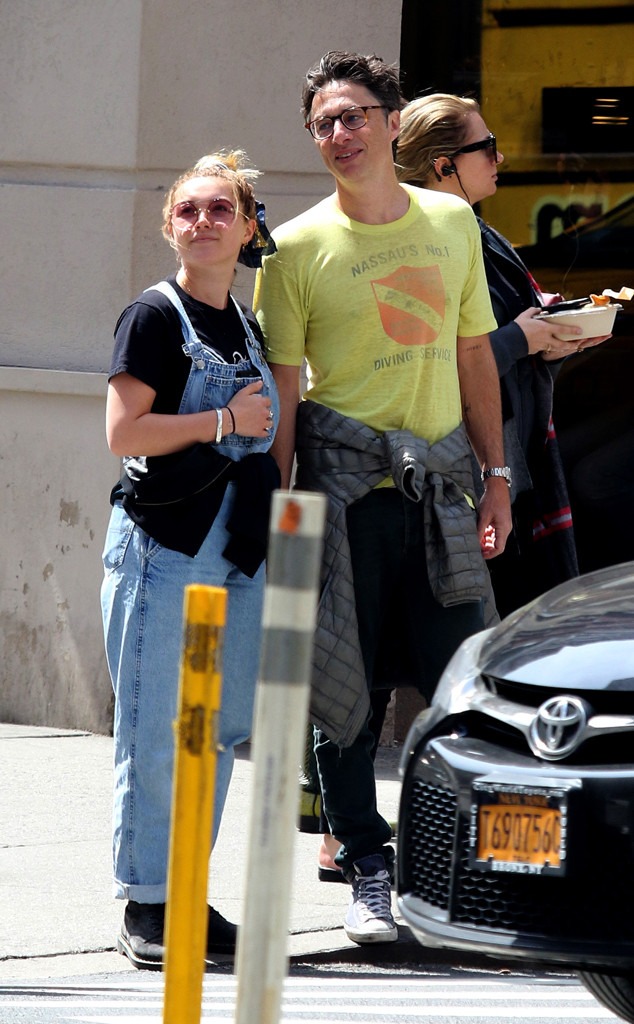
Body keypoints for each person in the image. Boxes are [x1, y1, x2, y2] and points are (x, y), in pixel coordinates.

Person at [254, 51, 512, 945]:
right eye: (324, 121)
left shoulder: (450, 222)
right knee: (345, 691)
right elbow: (286, 395)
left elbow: (475, 353)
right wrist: (280, 516)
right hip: (343, 487)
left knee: (459, 686)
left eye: (356, 115)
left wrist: (498, 477)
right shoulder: (291, 250)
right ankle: (367, 862)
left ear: (392, 123)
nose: (341, 134)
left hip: (443, 485)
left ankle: (454, 872)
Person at [100, 150, 280, 970]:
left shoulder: (246, 325)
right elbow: (125, 434)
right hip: (165, 550)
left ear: (247, 229)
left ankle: (183, 889)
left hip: (233, 552)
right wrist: (219, 425)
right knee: (155, 728)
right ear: (170, 226)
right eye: (188, 211)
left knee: (211, 729)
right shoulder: (153, 316)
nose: (203, 222)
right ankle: (146, 903)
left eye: (221, 210)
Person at [396, 94, 612, 616]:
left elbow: (508, 340)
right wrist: (523, 340)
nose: (500, 159)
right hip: (457, 478)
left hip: (510, 466)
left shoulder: (480, 234)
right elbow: (433, 367)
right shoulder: (418, 245)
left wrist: (554, 340)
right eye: (487, 148)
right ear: (444, 166)